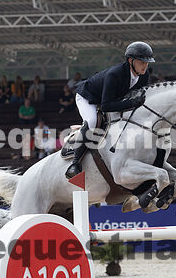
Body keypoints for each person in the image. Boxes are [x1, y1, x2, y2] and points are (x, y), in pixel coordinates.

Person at [65, 41, 153, 178]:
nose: (145, 66)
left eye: (147, 62)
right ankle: (75, 164)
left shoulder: (144, 75)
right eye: (142, 62)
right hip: (88, 98)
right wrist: (131, 103)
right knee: (92, 121)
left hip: (112, 99)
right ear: (131, 61)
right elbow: (106, 106)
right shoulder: (115, 74)